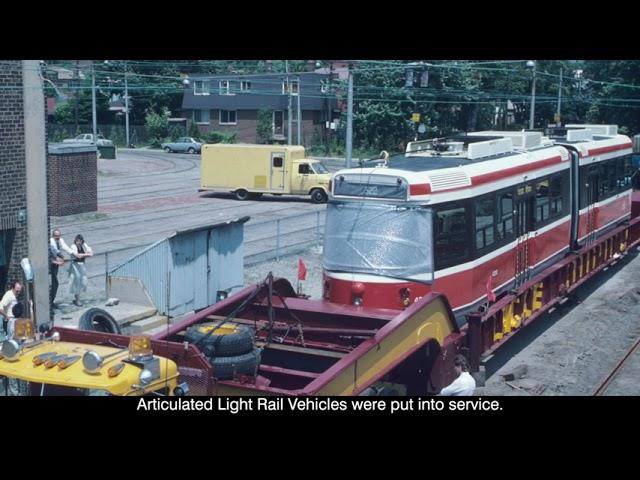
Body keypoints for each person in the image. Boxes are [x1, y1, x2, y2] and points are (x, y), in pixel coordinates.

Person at [49, 229, 72, 308]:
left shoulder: (59, 241)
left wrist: (72, 253)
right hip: (51, 268)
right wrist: (60, 258)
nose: (57, 238)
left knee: (54, 284)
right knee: (54, 284)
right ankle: (50, 302)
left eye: (59, 236)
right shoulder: (51, 242)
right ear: (53, 236)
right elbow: (54, 252)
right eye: (56, 236)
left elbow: (65, 247)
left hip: (55, 266)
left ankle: (51, 302)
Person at [68, 234, 93, 307]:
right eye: (77, 241)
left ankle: (77, 297)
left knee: (84, 281)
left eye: (80, 241)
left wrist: (85, 246)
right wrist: (86, 254)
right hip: (75, 266)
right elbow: (77, 255)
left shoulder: (82, 245)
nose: (78, 242)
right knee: (77, 281)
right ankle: (77, 299)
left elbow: (91, 252)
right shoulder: (73, 246)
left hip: (82, 265)